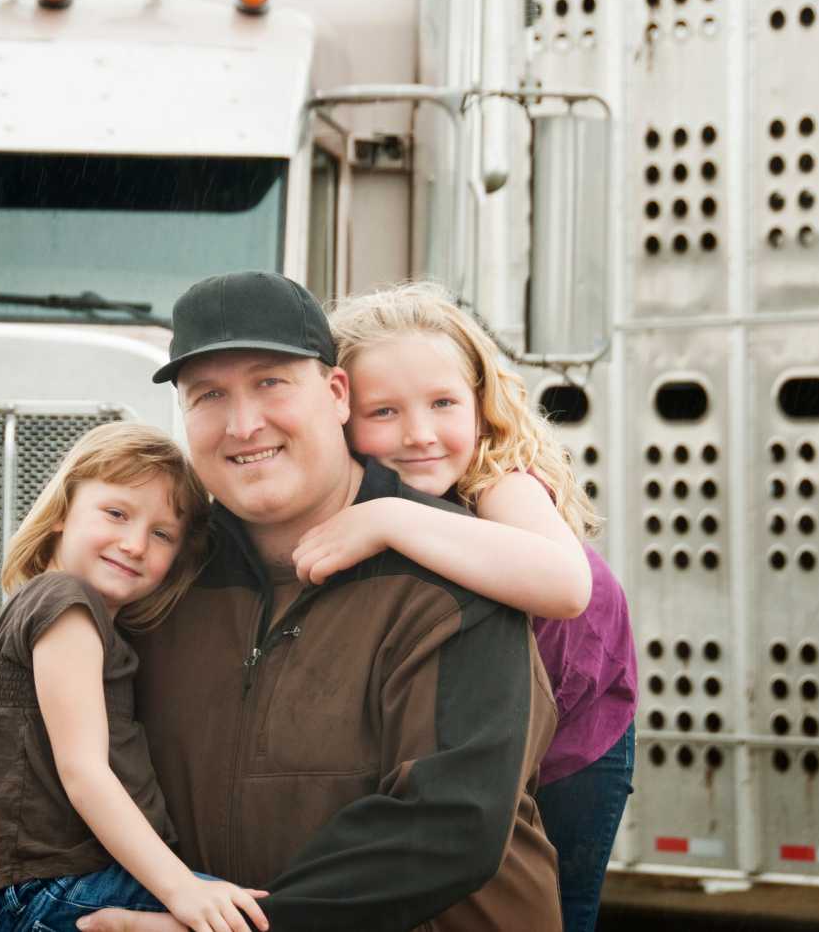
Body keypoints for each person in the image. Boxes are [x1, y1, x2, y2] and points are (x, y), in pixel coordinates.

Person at [86, 271, 563, 932]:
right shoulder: (160, 583)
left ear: (337, 392)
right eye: (209, 394)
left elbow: (450, 824)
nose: (243, 423)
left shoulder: (458, 572)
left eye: (270, 382)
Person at [301, 283, 637, 932]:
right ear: (340, 411)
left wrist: (391, 518)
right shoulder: (354, 494)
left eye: (443, 403)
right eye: (385, 411)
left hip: (576, 734)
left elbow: (567, 586)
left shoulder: (498, 483)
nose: (420, 434)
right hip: (478, 730)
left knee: (554, 906)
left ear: (481, 408)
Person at [0, 422, 272, 932]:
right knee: (256, 922)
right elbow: (85, 773)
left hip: (55, 883)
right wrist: (181, 887)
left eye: (162, 534)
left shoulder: (76, 614)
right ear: (61, 514)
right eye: (116, 513)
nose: (135, 544)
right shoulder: (65, 606)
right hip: (62, 882)